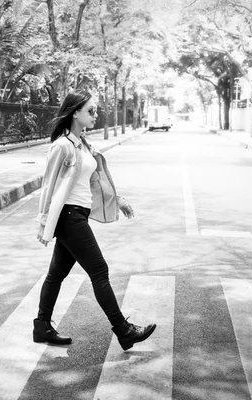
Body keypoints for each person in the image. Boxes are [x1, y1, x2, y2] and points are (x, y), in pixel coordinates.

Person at [34, 90, 156, 351]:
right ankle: (123, 330)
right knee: (99, 271)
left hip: (78, 214)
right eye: (90, 110)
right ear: (75, 112)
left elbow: (93, 182)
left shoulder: (83, 144)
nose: (95, 114)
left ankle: (41, 325)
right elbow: (48, 185)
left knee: (56, 274)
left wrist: (119, 200)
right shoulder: (62, 146)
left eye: (95, 110)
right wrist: (43, 221)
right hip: (68, 217)